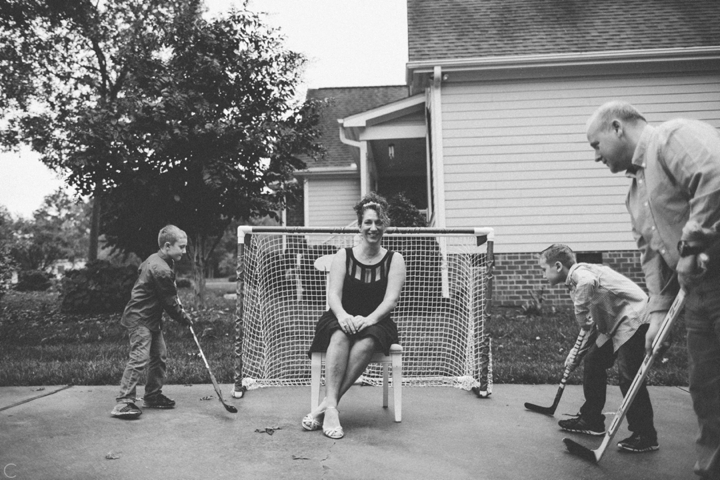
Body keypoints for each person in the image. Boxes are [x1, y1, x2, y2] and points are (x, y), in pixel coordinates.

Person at [586, 101, 720, 478]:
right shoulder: (634, 194)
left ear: (617, 128)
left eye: (595, 146)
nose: (595, 158)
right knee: (706, 390)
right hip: (697, 295)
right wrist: (657, 313)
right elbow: (652, 255)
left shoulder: (673, 137)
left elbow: (714, 178)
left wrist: (693, 246)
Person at [302, 193, 406, 439]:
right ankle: (331, 409)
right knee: (338, 337)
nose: (373, 228)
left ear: (385, 225)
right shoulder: (343, 256)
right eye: (368, 222)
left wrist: (368, 320)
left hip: (377, 321)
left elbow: (391, 300)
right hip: (340, 316)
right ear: (359, 225)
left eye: (378, 222)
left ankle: (325, 407)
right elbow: (334, 296)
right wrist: (343, 316)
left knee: (368, 341)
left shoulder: (395, 259)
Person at [538, 244, 659, 452]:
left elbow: (587, 287)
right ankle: (591, 420)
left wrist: (579, 313)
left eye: (543, 269)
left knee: (628, 376)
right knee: (593, 360)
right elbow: (591, 326)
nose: (542, 275)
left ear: (557, 266)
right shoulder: (575, 284)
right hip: (614, 326)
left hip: (635, 321)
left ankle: (646, 435)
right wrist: (575, 354)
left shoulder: (580, 273)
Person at [111, 225, 194, 419]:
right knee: (140, 357)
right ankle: (123, 401)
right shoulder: (161, 269)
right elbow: (170, 303)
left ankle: (153, 395)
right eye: (181, 247)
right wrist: (184, 318)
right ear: (167, 245)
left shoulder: (158, 260)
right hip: (140, 318)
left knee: (159, 355)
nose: (184, 251)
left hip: (151, 318)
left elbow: (165, 293)